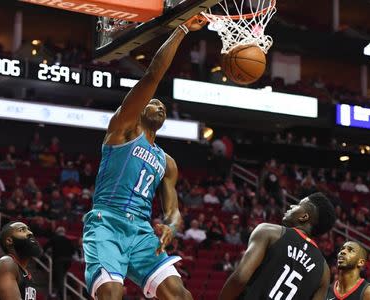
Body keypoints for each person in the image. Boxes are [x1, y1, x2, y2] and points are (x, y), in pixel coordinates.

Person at [82, 16, 206, 300]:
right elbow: (152, 76)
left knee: (180, 294)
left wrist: (171, 226)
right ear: (137, 110)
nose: (158, 105)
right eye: (152, 102)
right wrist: (182, 29)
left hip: (140, 230)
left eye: (162, 105)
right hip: (107, 222)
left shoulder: (167, 162)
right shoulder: (123, 129)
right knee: (112, 292)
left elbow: (172, 208)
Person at [219, 192, 336, 300]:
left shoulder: (268, 231)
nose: (291, 206)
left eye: (298, 205)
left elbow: (240, 278)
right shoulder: (324, 272)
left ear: (304, 217)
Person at [0, 221, 42, 300]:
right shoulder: (6, 263)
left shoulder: (26, 274)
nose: (30, 233)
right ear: (9, 240)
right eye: (22, 230)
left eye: (28, 230)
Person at [44, 226, 75, 299]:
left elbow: (45, 247)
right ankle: (61, 293)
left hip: (59, 261)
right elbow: (73, 251)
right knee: (62, 277)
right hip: (68, 261)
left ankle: (61, 296)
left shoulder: (54, 239)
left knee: (60, 278)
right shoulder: (68, 240)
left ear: (57, 233)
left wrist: (46, 253)